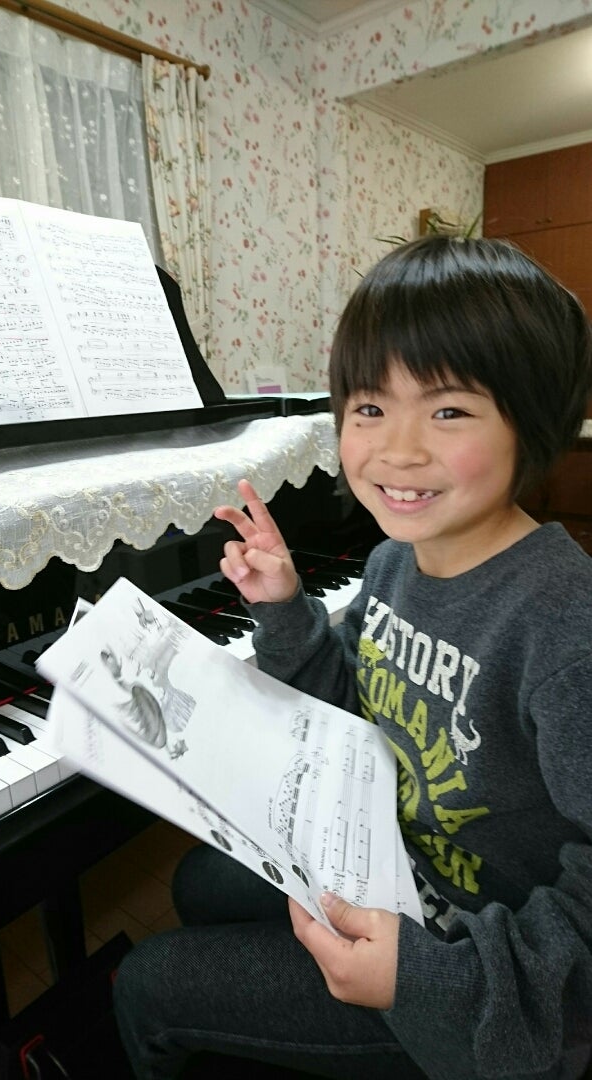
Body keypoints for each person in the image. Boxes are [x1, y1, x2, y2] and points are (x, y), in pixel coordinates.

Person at [113, 235, 592, 1080]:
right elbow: (351, 705)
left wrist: (425, 979)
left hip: (470, 973)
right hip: (390, 862)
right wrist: (283, 607)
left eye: (448, 410)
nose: (395, 450)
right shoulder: (393, 562)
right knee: (197, 884)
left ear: (534, 420)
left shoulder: (564, 629)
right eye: (369, 407)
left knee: (144, 984)